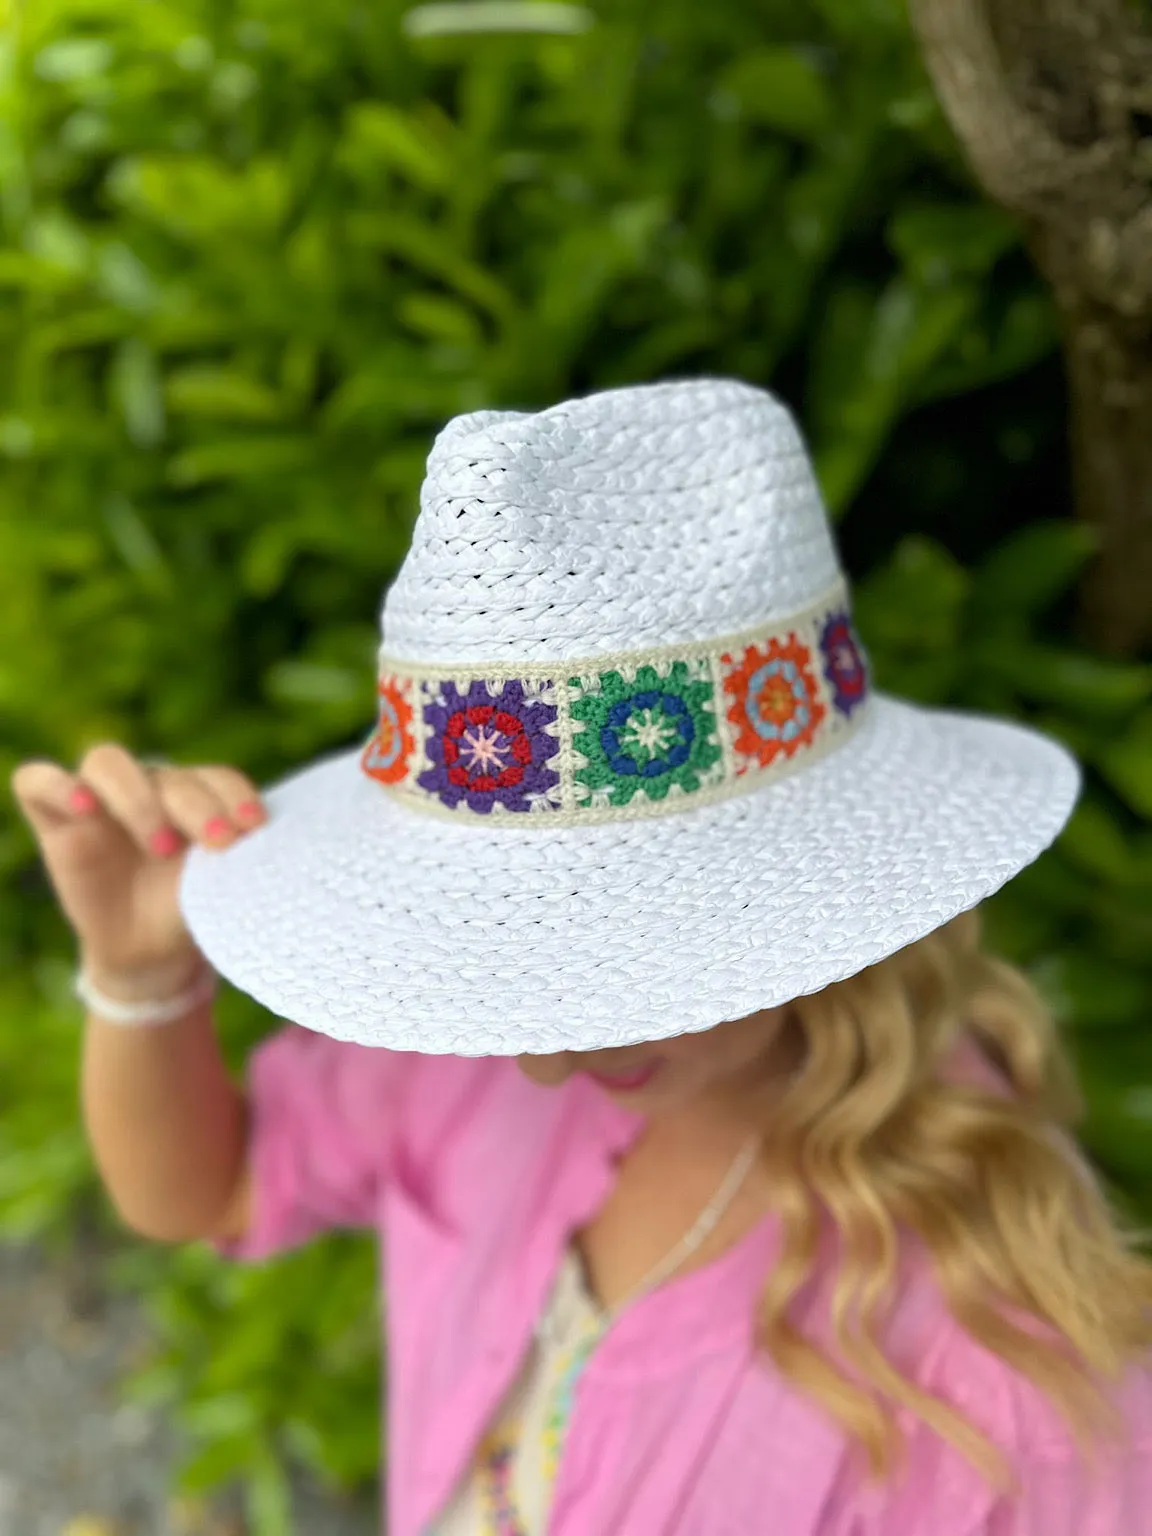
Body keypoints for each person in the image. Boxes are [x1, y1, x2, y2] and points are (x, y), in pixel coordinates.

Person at [12, 378, 1152, 1535]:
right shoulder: (465, 1054)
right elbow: (211, 1186)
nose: (550, 1055)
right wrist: (141, 975)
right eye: (523, 955)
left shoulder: (1003, 1370)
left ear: (812, 893)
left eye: (621, 959)